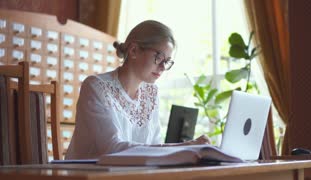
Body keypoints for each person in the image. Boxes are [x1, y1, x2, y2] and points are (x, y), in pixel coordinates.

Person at [65, 20, 211, 159]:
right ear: (134, 50)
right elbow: (112, 148)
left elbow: (154, 147)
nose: (162, 67)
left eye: (167, 62)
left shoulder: (151, 93)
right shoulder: (96, 86)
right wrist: (184, 146)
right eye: (159, 57)